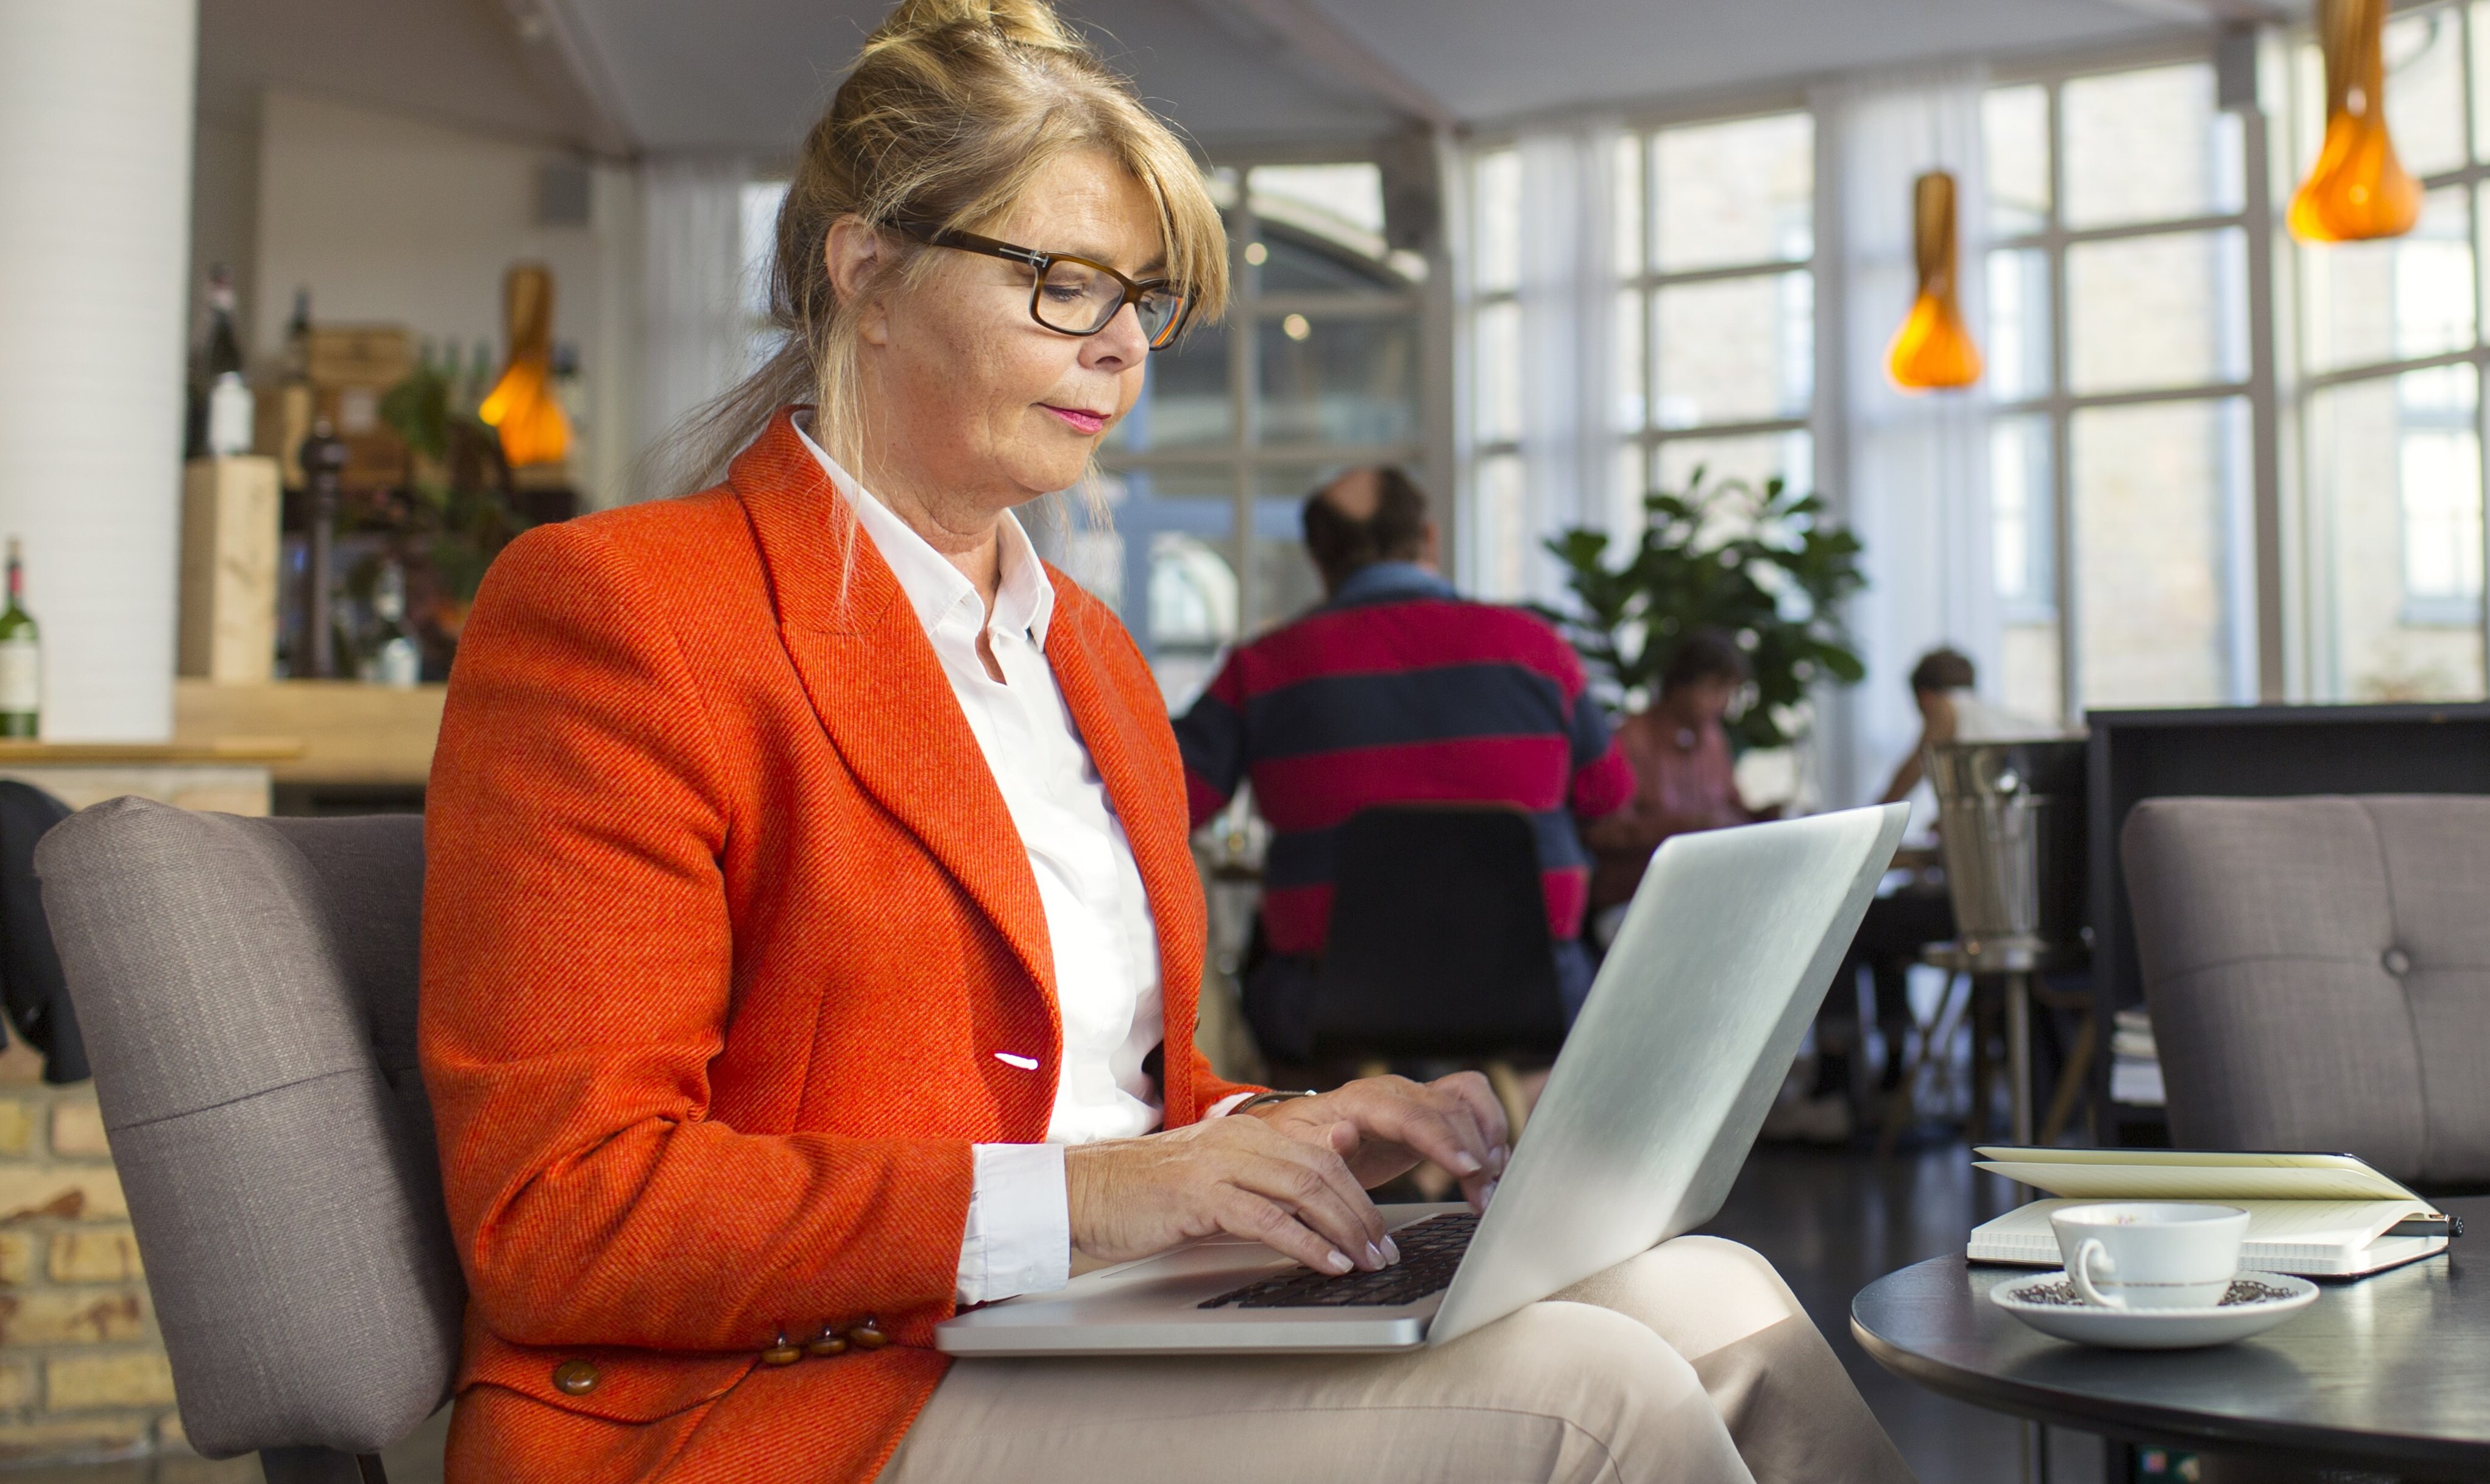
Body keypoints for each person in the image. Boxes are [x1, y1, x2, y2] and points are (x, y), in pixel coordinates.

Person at [417, 4, 1912, 1482]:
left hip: (1081, 1322)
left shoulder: (1086, 651)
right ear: (865, 268)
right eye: (1064, 284)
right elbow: (562, 1215)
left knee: (1717, 1303)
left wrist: (1297, 1133)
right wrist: (1098, 1201)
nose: (1124, 348)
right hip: (791, 1398)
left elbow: (1120, 1096)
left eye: (1142, 299)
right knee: (1595, 1397)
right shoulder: (626, 611)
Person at [1173, 464, 1633, 1067]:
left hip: (1328, 1005)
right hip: (1536, 995)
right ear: (1429, 539)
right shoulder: (1538, 650)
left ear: (1318, 560)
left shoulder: (1263, 669)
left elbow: (1160, 803)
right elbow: (1608, 800)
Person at [1786, 650, 1973, 1141]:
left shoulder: (1948, 717)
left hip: (1973, 916)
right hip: (1994, 912)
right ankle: (1892, 1076)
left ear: (1926, 699)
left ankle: (1833, 1085)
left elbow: (1890, 807)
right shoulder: (1991, 725)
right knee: (1883, 931)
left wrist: (1859, 841)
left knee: (1838, 925)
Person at [1585, 630, 1765, 927]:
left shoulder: (1713, 739)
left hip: (1704, 891)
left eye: (1728, 692)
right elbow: (1604, 832)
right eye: (1714, 689)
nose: (1722, 703)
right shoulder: (1629, 739)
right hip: (1638, 898)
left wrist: (1771, 815)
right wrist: (1689, 825)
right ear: (1680, 686)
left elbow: (1734, 810)